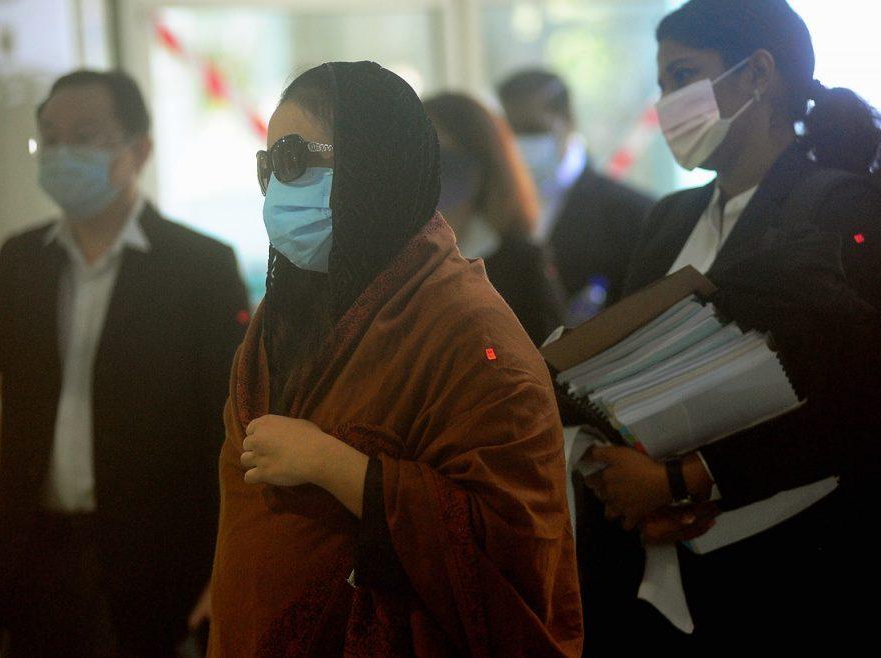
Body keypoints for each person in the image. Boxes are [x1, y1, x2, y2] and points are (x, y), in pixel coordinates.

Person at [207, 61, 583, 657]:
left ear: (374, 165)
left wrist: (337, 467)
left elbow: (514, 551)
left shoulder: (468, 331)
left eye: (294, 160)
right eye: (267, 166)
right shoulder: (288, 315)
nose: (277, 188)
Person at [574, 1, 881, 654]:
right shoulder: (668, 218)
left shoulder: (840, 208)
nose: (667, 104)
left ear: (758, 74)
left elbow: (859, 402)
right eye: (662, 84)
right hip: (656, 568)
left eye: (684, 76)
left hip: (793, 573)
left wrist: (684, 480)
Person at [0, 69, 249, 656]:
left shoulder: (200, 267)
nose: (61, 152)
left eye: (85, 135)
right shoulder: (21, 260)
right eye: (49, 137)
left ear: (139, 150)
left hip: (156, 560)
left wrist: (228, 562)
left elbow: (229, 427)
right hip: (35, 556)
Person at [498, 68, 655, 318]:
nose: (521, 144)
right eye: (510, 133)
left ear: (568, 119)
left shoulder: (633, 213)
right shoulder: (493, 212)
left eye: (532, 130)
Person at [423, 92, 566, 347]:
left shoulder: (522, 265)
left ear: (481, 166)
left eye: (444, 157)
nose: (431, 171)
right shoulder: (390, 263)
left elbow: (550, 358)